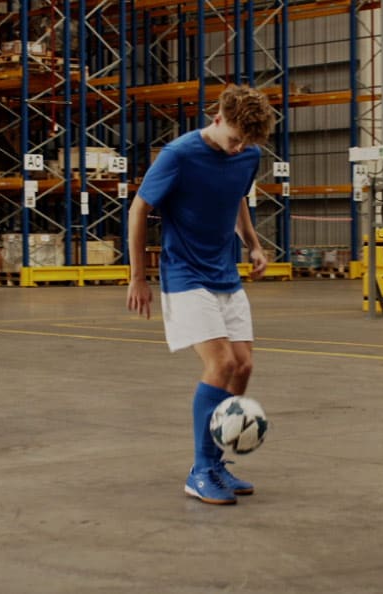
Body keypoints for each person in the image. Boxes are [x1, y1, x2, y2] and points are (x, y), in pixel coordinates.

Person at [126, 84, 275, 505]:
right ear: (216, 119)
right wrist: (139, 276)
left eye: (246, 142)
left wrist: (253, 243)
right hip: (185, 273)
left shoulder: (247, 153)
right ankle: (200, 470)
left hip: (225, 273)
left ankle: (214, 463)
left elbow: (238, 197)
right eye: (234, 139)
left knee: (243, 367)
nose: (238, 149)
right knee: (222, 362)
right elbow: (139, 209)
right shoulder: (179, 154)